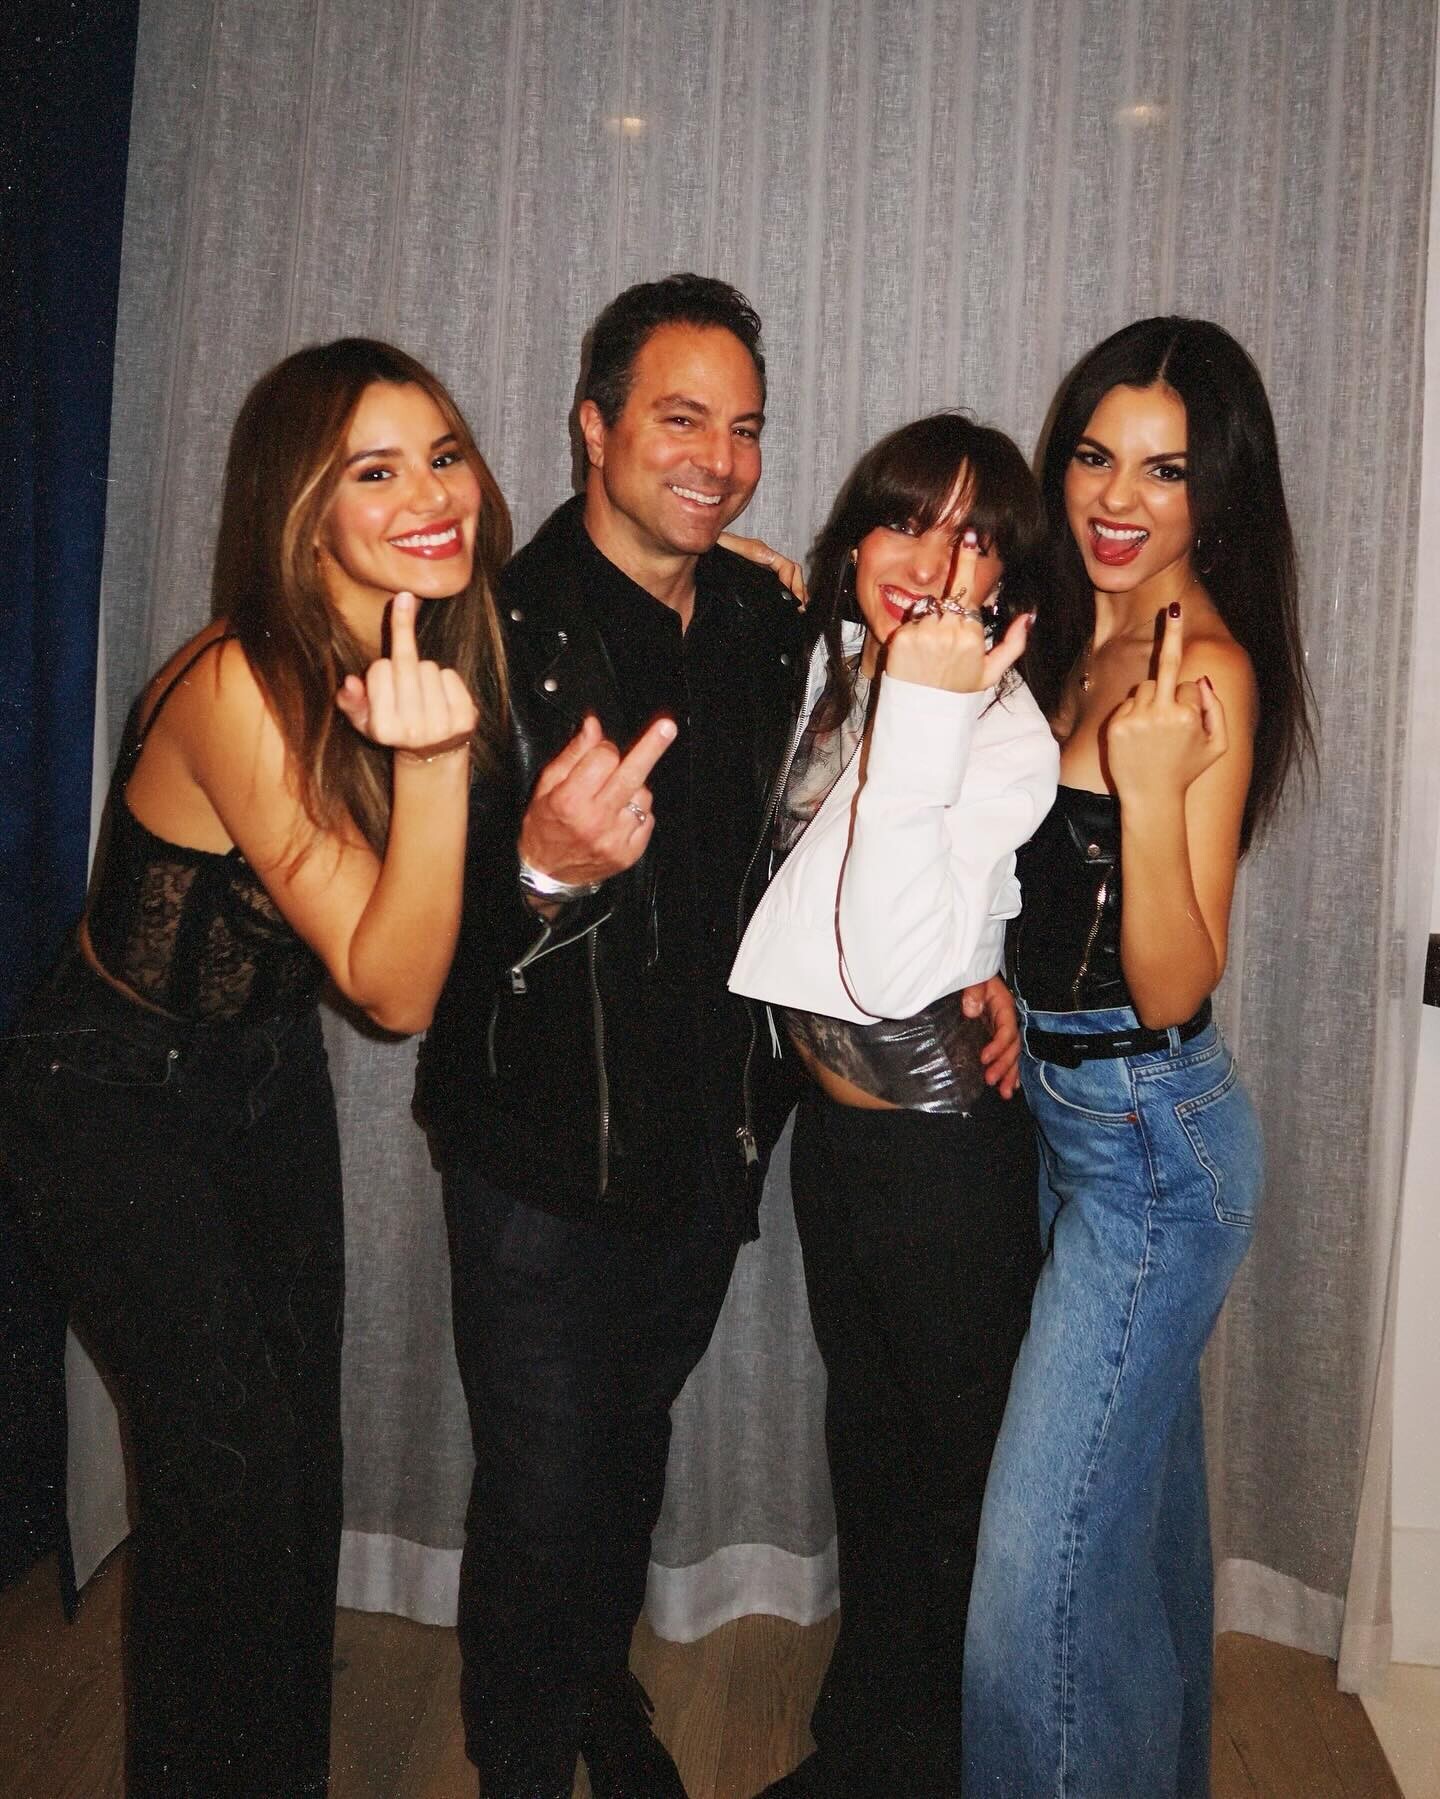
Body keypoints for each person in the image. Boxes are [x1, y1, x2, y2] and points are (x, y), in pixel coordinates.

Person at [414, 276, 1025, 1798]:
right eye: (681, 419)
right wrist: (540, 872)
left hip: (705, 1150)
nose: (720, 459)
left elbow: (870, 815)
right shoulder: (488, 639)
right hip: (541, 1167)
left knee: (626, 1463)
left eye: (745, 428)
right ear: (594, 426)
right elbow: (403, 958)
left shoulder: (763, 618)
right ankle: (519, 1762)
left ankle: (597, 1707)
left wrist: (986, 960)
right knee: (538, 1500)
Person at [0, 337, 510, 1797]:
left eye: (445, 456)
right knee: (223, 1481)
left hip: (259, 1072)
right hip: (107, 1093)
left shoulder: (422, 644)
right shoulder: (240, 682)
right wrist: (435, 769)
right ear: (301, 509)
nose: (431, 495)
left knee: (293, 1461)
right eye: (375, 470)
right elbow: (395, 989)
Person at [961, 317, 1315, 1799]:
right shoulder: (1088, 628)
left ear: (1217, 494)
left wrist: (1159, 794)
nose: (1118, 497)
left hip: (1151, 1140)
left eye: (1165, 471)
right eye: (1097, 455)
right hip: (1073, 1115)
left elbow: (1175, 978)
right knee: (1140, 1537)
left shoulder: (1204, 671)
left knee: (1030, 1597)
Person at [727, 413, 1058, 1798]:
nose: (929, 560)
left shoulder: (1003, 735)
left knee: (953, 1485)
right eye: (906, 520)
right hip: (841, 1150)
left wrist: (927, 706)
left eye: (971, 538)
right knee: (869, 1450)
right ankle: (868, 1747)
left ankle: (945, 1765)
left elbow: (880, 963)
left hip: (942, 1159)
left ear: (1007, 577)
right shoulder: (832, 659)